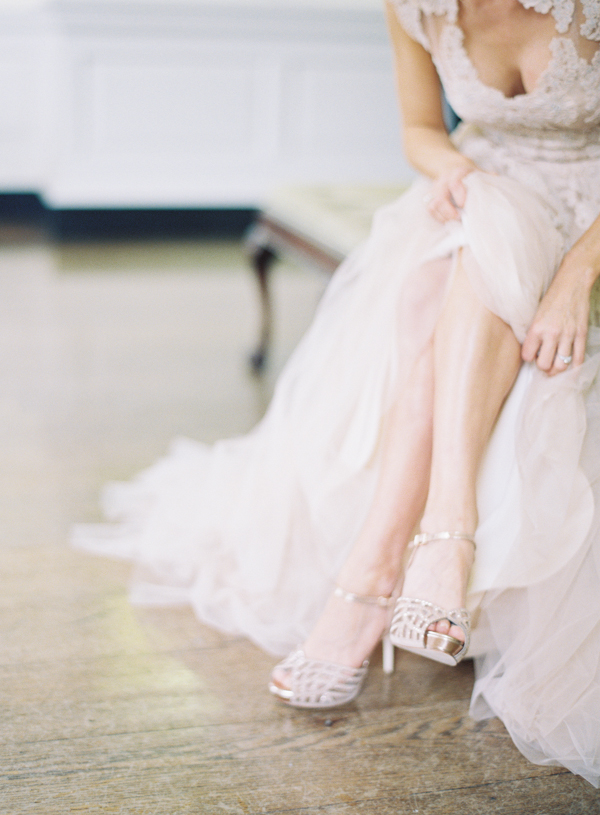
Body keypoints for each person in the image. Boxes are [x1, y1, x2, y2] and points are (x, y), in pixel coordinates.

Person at [74, 0, 600, 787]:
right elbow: (420, 130)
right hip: (484, 186)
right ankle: (434, 542)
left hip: (590, 216)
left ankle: (376, 576)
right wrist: (455, 172)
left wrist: (575, 278)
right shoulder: (415, 5)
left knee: (451, 288)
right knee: (431, 289)